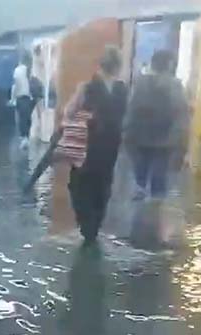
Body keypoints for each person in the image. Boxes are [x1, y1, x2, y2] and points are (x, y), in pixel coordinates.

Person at [63, 46, 128, 246]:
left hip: (86, 145)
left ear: (100, 65)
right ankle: (95, 225)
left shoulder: (87, 87)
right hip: (110, 146)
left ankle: (86, 225)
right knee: (103, 183)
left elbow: (69, 112)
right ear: (118, 67)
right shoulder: (123, 90)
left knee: (79, 184)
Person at [124, 49, 189, 200]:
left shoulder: (140, 83)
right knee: (159, 181)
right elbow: (181, 113)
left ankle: (140, 197)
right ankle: (154, 212)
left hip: (139, 138)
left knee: (140, 177)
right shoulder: (175, 85)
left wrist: (126, 134)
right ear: (169, 64)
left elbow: (131, 109)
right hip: (164, 141)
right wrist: (182, 143)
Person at [12, 51, 33, 149]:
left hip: (21, 97)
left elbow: (17, 85)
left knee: (22, 119)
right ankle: (28, 138)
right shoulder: (31, 69)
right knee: (28, 119)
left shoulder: (18, 70)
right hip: (31, 98)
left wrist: (13, 98)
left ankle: (24, 139)